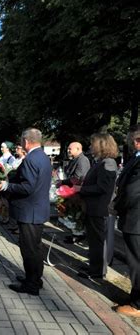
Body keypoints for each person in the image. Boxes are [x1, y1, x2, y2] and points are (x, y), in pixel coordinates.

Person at [0, 128, 52, 296]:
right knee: (35, 248)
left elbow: (28, 187)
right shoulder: (43, 157)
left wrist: (7, 186)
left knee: (29, 250)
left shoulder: (31, 159)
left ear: (26, 142)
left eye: (21, 141)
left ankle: (31, 284)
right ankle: (35, 278)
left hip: (29, 211)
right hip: (38, 209)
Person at [76, 133, 118, 279]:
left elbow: (102, 188)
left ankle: (97, 271)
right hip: (95, 207)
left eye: (93, 143)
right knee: (94, 240)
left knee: (98, 241)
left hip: (100, 208)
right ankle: (94, 265)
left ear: (101, 145)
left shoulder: (108, 163)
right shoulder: (101, 162)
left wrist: (81, 189)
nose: (90, 146)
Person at [114, 125, 140, 317]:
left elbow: (132, 191)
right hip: (133, 218)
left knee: (137, 261)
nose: (132, 144)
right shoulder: (136, 159)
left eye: (133, 140)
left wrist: (116, 206)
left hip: (136, 219)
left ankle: (137, 305)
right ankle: (134, 297)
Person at [58, 142, 91, 244]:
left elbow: (78, 177)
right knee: (72, 214)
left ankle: (78, 235)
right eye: (68, 149)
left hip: (78, 193)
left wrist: (63, 182)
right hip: (72, 192)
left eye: (70, 149)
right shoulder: (76, 159)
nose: (68, 151)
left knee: (77, 214)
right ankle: (75, 234)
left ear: (78, 149)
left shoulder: (82, 160)